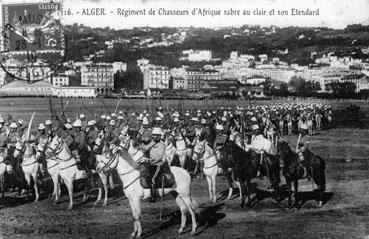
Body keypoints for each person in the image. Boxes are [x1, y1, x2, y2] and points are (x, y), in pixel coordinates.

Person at [139, 127, 166, 203]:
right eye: (154, 135)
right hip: (150, 164)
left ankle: (153, 197)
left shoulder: (162, 145)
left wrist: (151, 162)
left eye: (157, 135)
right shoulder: (151, 142)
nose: (155, 137)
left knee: (153, 179)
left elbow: (160, 157)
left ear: (160, 136)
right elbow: (144, 149)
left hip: (158, 165)